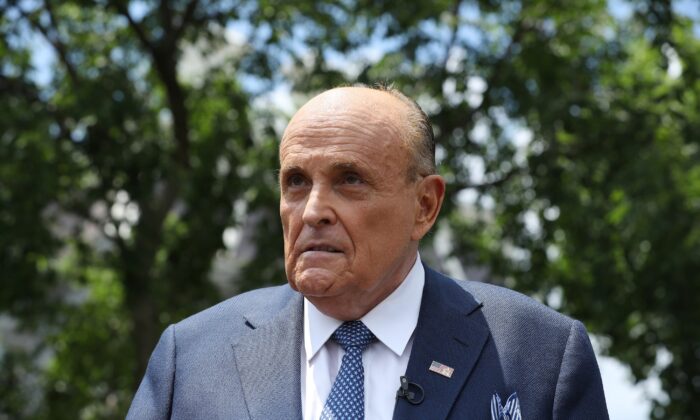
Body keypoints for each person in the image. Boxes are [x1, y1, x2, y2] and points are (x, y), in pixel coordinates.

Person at [127, 86, 608, 419]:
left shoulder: (540, 355)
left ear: (425, 205)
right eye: (295, 182)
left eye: (349, 180)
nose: (312, 211)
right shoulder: (190, 359)